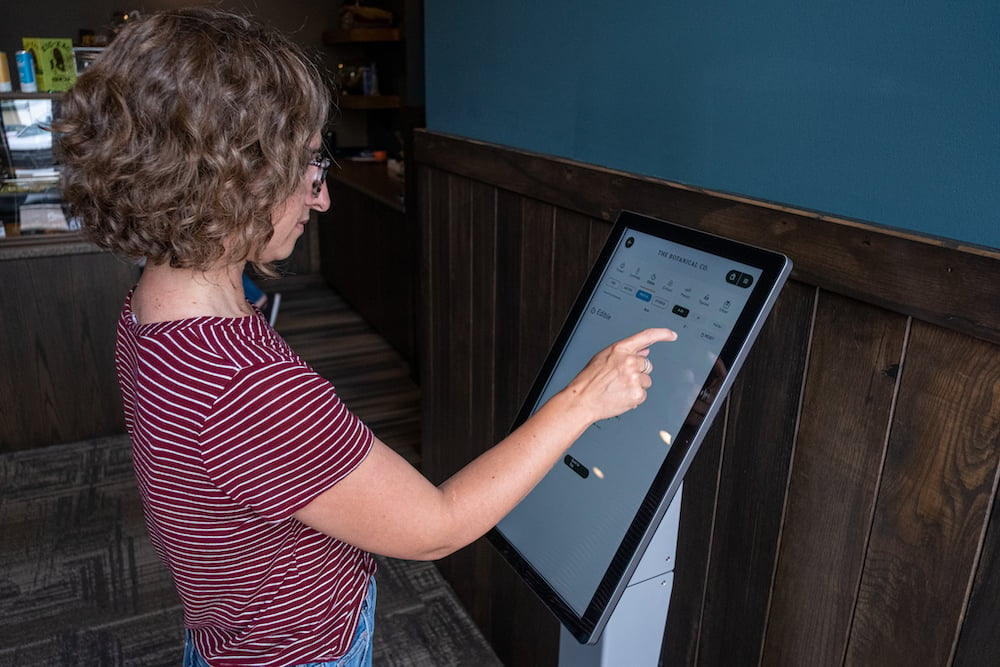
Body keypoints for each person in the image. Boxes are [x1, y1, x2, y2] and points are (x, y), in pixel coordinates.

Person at [56, 8, 677, 667]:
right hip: (294, 651)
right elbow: (436, 527)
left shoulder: (149, 306)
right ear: (234, 184)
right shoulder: (248, 387)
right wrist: (584, 397)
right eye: (306, 168)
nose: (319, 198)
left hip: (225, 626)